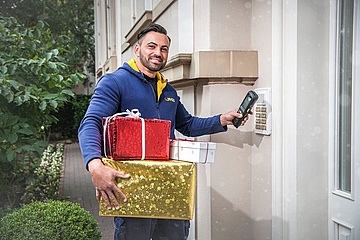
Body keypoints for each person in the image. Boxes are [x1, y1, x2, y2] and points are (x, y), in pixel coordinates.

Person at [78, 23, 250, 240]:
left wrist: (222, 120)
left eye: (164, 49)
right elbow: (90, 123)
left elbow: (187, 124)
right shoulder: (115, 82)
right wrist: (95, 166)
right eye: (152, 46)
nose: (158, 53)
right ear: (137, 49)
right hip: (133, 187)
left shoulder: (167, 90)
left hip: (171, 189)